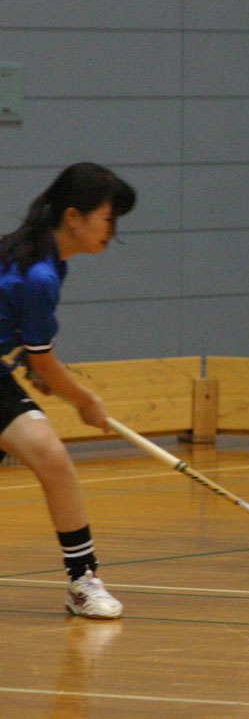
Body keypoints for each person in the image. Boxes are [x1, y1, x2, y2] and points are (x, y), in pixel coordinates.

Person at [0, 163, 136, 618]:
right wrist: (86, 400)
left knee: (52, 458)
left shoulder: (49, 262)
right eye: (108, 219)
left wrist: (31, 365)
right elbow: (44, 362)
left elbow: (25, 343)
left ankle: (83, 580)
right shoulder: (39, 273)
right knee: (51, 454)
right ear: (74, 217)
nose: (113, 231)